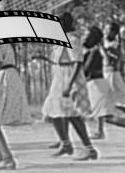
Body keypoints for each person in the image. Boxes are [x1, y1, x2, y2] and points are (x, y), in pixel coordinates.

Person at [40, 12, 98, 161]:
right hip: (60, 76)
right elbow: (60, 60)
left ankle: (89, 148)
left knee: (72, 114)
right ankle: (65, 143)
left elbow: (77, 62)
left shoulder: (72, 39)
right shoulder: (61, 40)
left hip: (69, 77)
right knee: (52, 111)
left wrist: (69, 84)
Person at [83, 26, 117, 140]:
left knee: (101, 113)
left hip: (96, 83)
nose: (84, 37)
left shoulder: (94, 51)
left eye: (86, 35)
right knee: (100, 111)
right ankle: (99, 131)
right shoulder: (94, 50)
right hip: (97, 82)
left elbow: (86, 69)